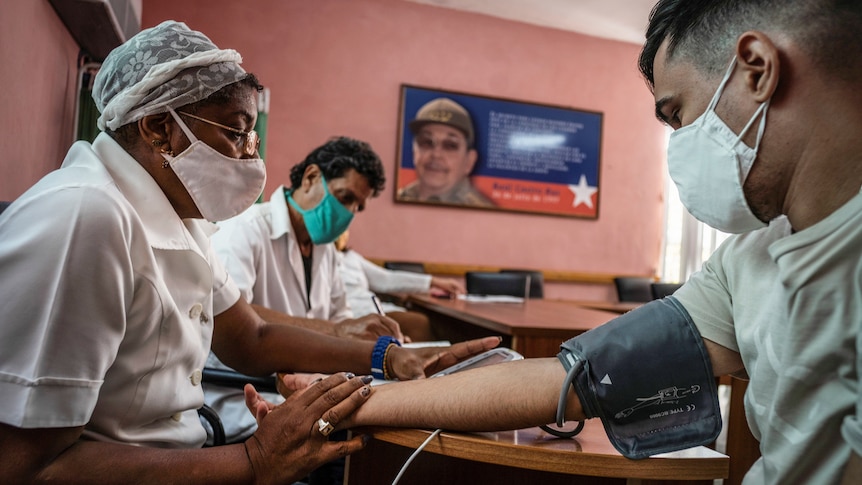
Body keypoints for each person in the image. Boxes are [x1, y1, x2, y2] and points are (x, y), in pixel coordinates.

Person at [251, 1, 862, 483]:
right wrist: (345, 404)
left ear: (756, 68)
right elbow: (567, 378)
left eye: (678, 116)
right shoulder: (744, 263)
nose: (677, 144)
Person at [0, 21, 499, 484]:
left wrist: (390, 359)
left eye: (251, 135)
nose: (250, 155)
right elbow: (27, 465)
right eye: (236, 132)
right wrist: (254, 460)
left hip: (190, 454)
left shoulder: (180, 215)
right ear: (158, 128)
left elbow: (250, 335)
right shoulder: (87, 218)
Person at [204, 136, 400, 445]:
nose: (348, 213)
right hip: (246, 393)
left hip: (307, 390)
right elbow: (232, 315)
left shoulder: (327, 252)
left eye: (357, 207)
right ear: (310, 178)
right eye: (344, 197)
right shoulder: (244, 228)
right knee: (360, 447)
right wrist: (340, 332)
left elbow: (341, 320)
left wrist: (369, 340)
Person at [334, 229, 466, 342]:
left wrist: (434, 281)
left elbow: (387, 279)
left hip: (377, 309)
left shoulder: (350, 257)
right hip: (354, 315)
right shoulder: (321, 258)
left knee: (444, 325)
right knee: (419, 322)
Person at [397, 97, 494, 207]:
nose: (436, 154)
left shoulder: (483, 213)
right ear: (414, 151)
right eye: (426, 142)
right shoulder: (398, 197)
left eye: (450, 146)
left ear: (469, 161)